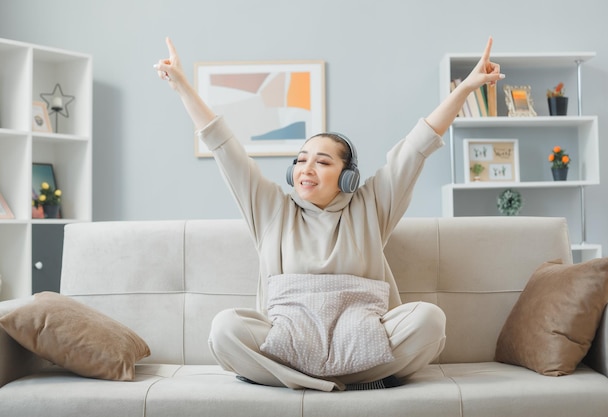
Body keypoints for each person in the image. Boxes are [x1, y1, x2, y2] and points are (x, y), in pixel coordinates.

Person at [154, 37, 503, 392]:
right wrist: (182, 86)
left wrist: (467, 89)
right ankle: (344, 382)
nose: (307, 168)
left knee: (430, 320)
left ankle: (300, 381)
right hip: (288, 344)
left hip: (363, 342)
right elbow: (224, 146)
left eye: (322, 161)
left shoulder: (372, 205)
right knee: (224, 328)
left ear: (348, 175)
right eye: (301, 160)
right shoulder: (272, 209)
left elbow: (416, 147)